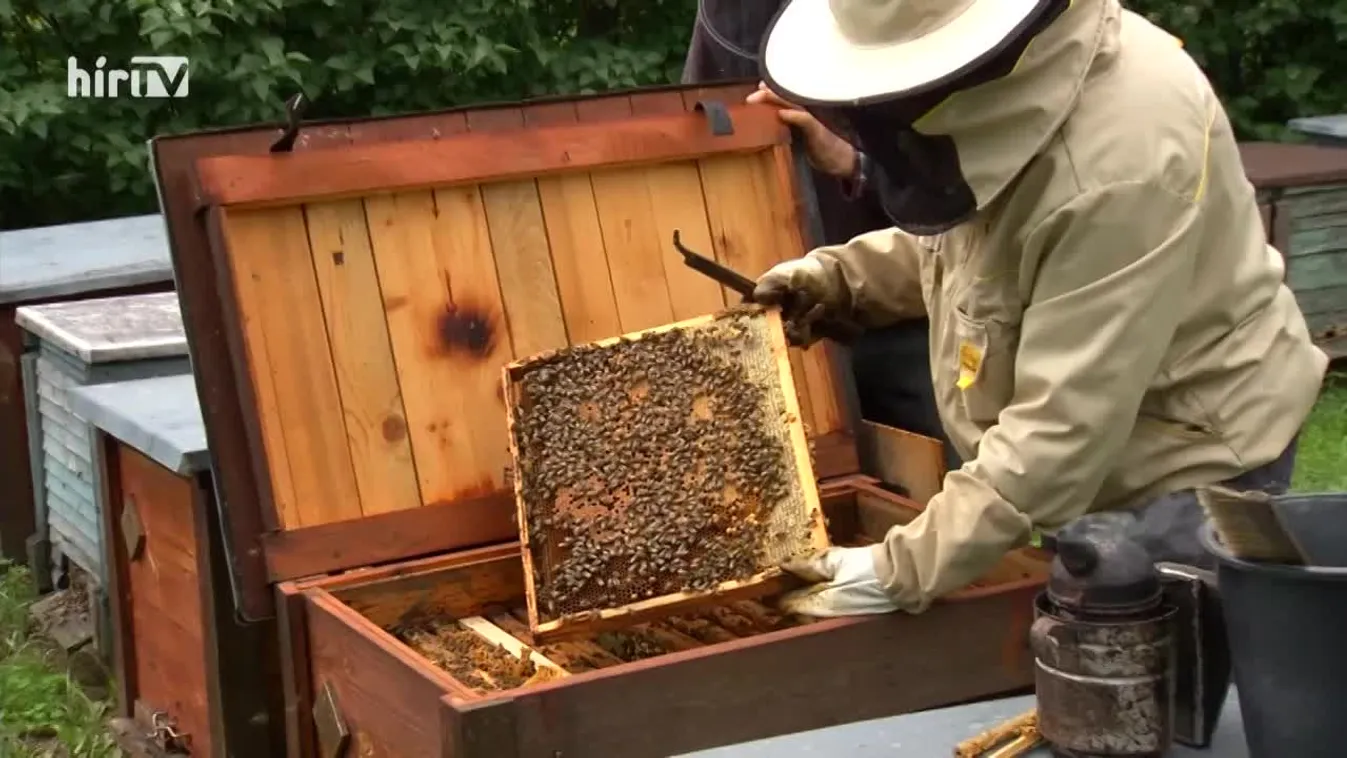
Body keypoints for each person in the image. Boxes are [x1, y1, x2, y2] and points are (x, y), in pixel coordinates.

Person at [747, 0, 1329, 617]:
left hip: (1183, 468)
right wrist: (843, 279)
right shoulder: (1023, 91)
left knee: (1154, 661)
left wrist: (900, 569)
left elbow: (1063, 427)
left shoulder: (1120, 161)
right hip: (1080, 463)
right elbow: (984, 247)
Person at [681, 0, 960, 470]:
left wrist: (851, 161)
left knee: (944, 474)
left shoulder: (927, 26)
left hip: (909, 314)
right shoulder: (731, 15)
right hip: (792, 321)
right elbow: (700, 127)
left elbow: (959, 190)